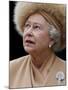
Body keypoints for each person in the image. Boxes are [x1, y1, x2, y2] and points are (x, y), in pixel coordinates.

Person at [9, 1, 66, 88]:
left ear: (52, 38)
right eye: (27, 25)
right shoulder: (11, 68)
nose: (28, 32)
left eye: (36, 27)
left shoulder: (65, 70)